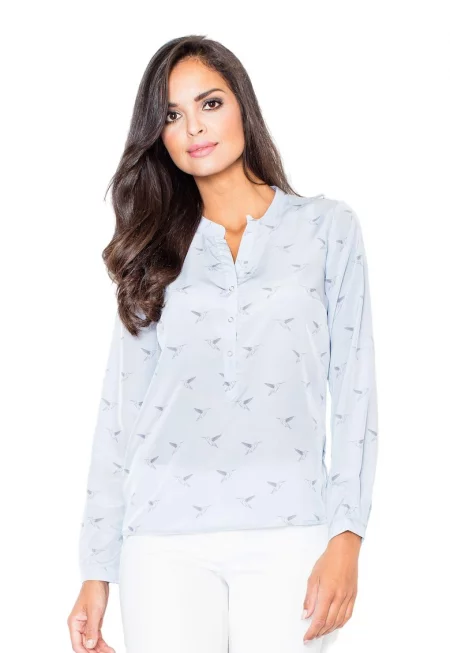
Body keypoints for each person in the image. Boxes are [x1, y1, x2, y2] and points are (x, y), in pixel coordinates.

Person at [67, 35, 378, 653]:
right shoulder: (153, 249)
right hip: (162, 541)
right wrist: (96, 570)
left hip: (292, 529)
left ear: (242, 105)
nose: (193, 128)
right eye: (171, 115)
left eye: (209, 103)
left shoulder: (327, 229)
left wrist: (347, 534)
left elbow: (355, 391)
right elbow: (120, 413)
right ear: (158, 135)